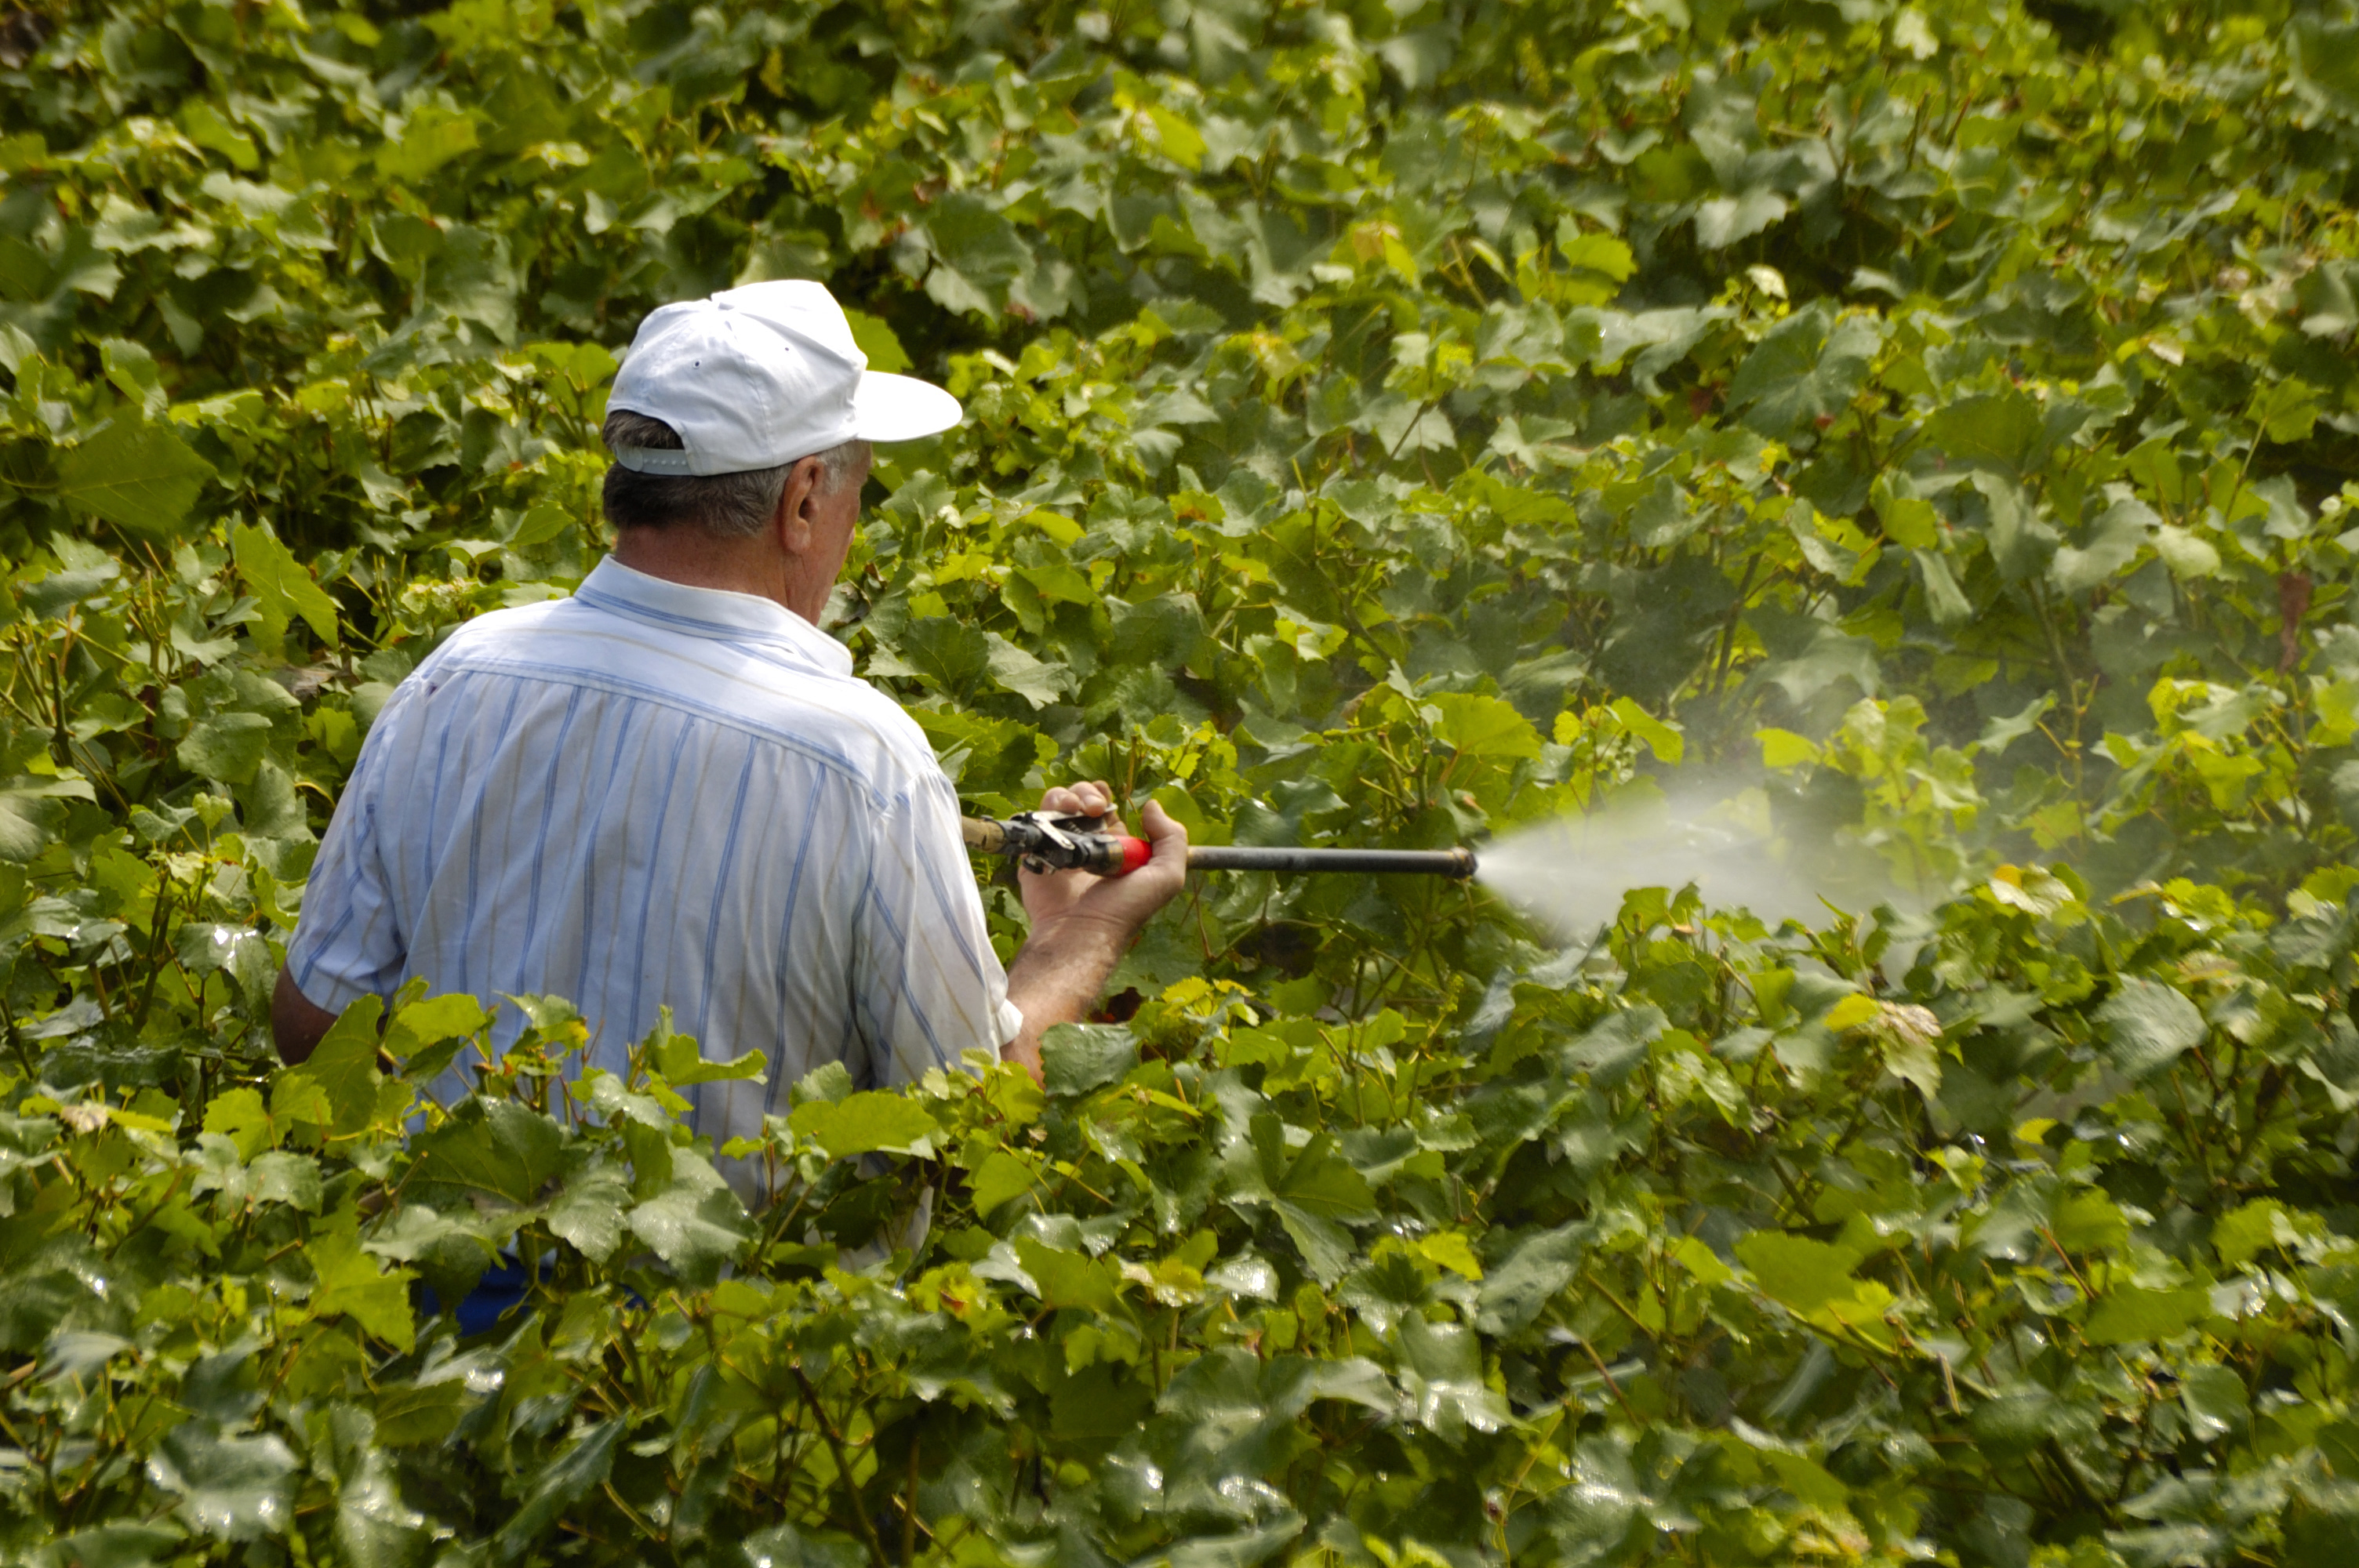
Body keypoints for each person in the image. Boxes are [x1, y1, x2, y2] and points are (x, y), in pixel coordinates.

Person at [271, 280, 1188, 1163]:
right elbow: (969, 1117)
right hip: (746, 1276)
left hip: (443, 1262)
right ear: (803, 499)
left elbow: (312, 1023)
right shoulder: (865, 763)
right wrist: (1073, 938)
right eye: (856, 495)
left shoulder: (454, 677)